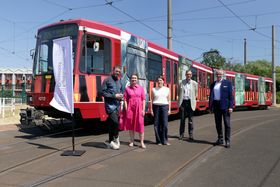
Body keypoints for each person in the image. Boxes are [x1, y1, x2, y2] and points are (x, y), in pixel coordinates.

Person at [120, 74, 146, 149]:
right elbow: (125, 99)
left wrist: (143, 109)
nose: (134, 79)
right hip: (130, 109)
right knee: (131, 125)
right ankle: (132, 141)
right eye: (132, 78)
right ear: (130, 79)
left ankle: (141, 142)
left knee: (140, 125)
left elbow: (143, 99)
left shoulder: (141, 88)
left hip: (139, 109)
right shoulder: (127, 88)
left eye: (135, 78)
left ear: (137, 79)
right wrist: (126, 108)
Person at [209, 69, 233, 148]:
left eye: (220, 74)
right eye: (217, 75)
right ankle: (220, 138)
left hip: (225, 106)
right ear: (216, 75)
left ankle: (227, 141)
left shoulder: (227, 83)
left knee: (227, 124)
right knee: (218, 123)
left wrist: (231, 107)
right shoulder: (213, 84)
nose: (218, 76)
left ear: (222, 75)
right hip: (216, 105)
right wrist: (210, 106)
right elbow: (211, 96)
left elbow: (231, 96)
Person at [101, 65, 123, 150]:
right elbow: (103, 93)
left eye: (119, 72)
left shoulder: (120, 81)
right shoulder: (107, 80)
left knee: (111, 124)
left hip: (117, 106)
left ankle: (110, 141)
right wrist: (115, 95)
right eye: (116, 71)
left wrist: (121, 96)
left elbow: (121, 91)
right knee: (116, 122)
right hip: (110, 106)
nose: (117, 73)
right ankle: (116, 137)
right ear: (113, 71)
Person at [178, 70, 198, 141]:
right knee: (182, 119)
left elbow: (196, 94)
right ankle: (181, 134)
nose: (188, 75)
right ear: (185, 75)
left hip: (190, 103)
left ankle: (191, 134)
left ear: (191, 75)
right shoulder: (181, 82)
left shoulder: (194, 83)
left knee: (190, 120)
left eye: (190, 74)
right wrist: (179, 103)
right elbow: (179, 92)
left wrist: (194, 102)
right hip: (183, 102)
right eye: (187, 74)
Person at [151, 76, 171, 145]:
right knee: (157, 124)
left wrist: (169, 109)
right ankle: (158, 141)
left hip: (164, 106)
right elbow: (151, 100)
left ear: (163, 81)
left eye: (161, 80)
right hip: (156, 107)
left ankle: (165, 140)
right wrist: (151, 110)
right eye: (158, 80)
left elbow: (169, 100)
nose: (159, 81)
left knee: (165, 124)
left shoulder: (167, 89)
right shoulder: (153, 89)